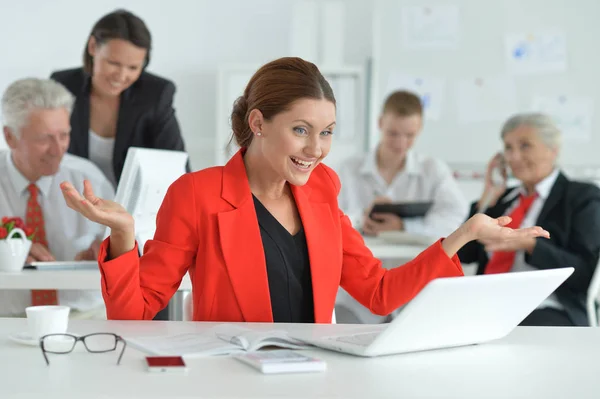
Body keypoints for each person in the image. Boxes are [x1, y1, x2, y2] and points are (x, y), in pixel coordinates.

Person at [60, 57, 548, 323]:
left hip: (313, 377)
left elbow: (377, 293)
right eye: (301, 130)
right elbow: (134, 312)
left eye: (328, 131)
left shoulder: (322, 189)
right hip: (230, 379)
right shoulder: (197, 194)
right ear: (259, 123)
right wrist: (124, 234)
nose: (317, 148)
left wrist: (461, 235)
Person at [458, 113, 600, 326]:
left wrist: (531, 245)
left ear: (553, 150)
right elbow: (464, 254)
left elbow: (584, 274)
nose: (513, 157)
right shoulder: (504, 199)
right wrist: (488, 197)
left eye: (525, 146)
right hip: (489, 302)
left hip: (548, 305)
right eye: (508, 148)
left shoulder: (581, 197)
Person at [0, 78, 112, 318]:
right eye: (44, 138)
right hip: (7, 318)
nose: (57, 149)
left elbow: (131, 247)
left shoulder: (88, 178)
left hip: (85, 315)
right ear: (10, 137)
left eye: (64, 135)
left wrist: (106, 253)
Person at [50, 9, 190, 189]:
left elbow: (176, 166)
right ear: (92, 46)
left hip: (131, 208)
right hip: (74, 200)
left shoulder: (156, 94)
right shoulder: (63, 85)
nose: (122, 76)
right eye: (114, 63)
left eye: (133, 67)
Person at [338, 90, 468, 238]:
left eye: (409, 135)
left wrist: (404, 226)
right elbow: (329, 219)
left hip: (414, 259)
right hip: (361, 258)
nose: (400, 143)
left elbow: (454, 214)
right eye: (393, 133)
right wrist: (361, 218)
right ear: (380, 123)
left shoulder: (433, 170)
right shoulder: (348, 169)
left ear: (420, 128)